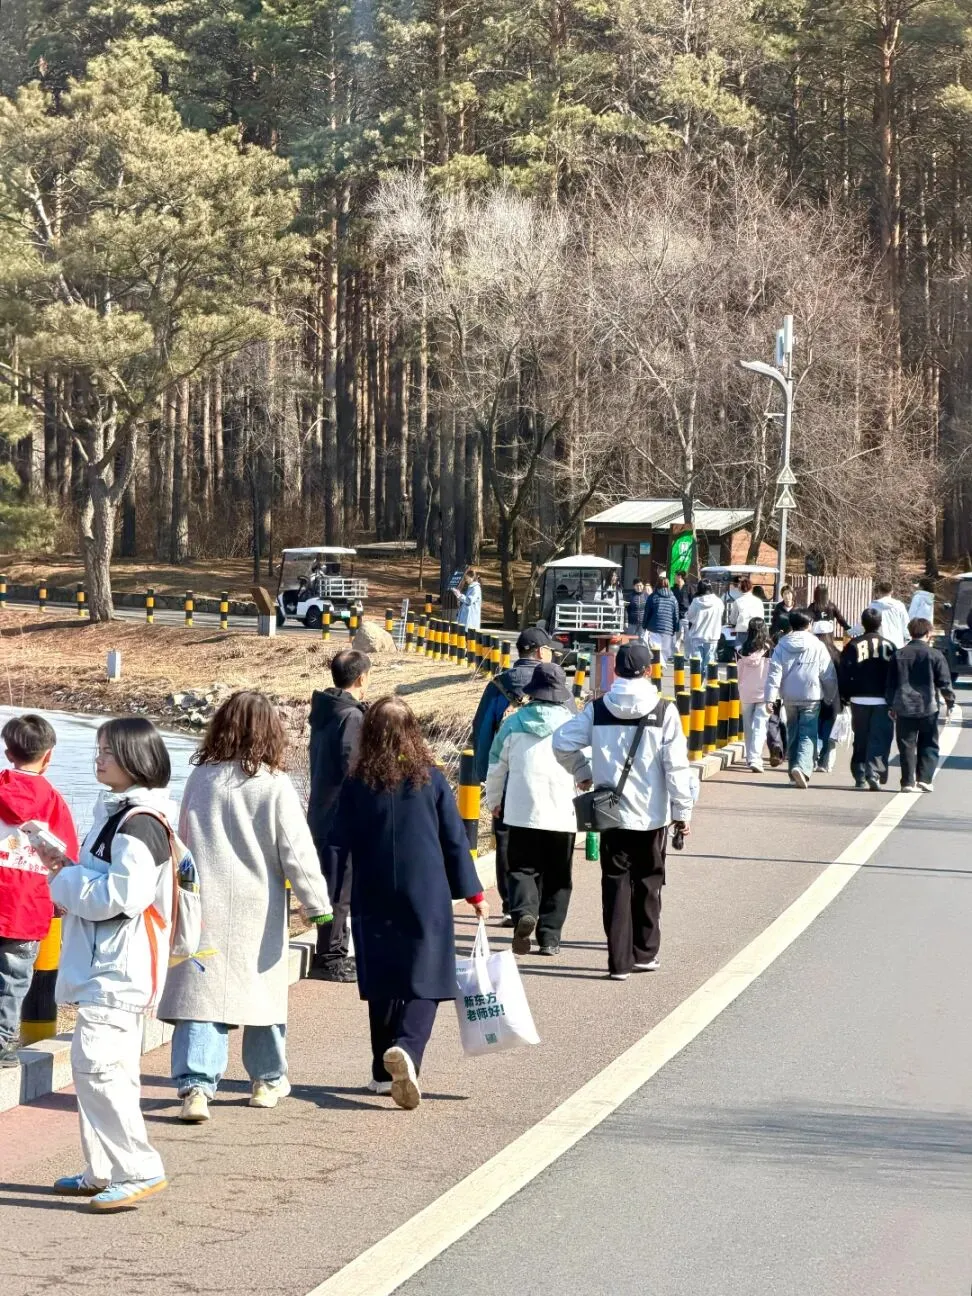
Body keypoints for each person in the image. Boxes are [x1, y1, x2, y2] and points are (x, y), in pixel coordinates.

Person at [161, 692, 332, 1124]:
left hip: (204, 904)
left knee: (201, 997)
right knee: (263, 996)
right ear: (271, 732)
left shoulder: (201, 778)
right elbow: (296, 849)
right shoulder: (273, 785)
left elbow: (180, 841)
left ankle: (196, 1087)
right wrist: (317, 904)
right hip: (259, 907)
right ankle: (266, 1081)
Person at [46, 719, 176, 1211]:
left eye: (107, 752)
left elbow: (123, 896)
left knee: (98, 1067)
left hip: (118, 968)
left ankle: (137, 1168)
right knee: (104, 1069)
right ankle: (101, 1169)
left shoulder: (138, 822)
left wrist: (63, 880)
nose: (97, 759)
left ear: (134, 759)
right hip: (111, 964)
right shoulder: (121, 814)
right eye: (97, 749)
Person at [332, 698, 487, 1109]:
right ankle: (407, 1050)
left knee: (382, 976)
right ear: (413, 733)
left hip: (373, 890)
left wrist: (326, 897)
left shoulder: (356, 783)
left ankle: (383, 1074)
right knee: (428, 975)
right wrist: (473, 892)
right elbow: (454, 840)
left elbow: (337, 842)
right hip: (426, 891)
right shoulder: (431, 779)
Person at [553, 643, 695, 981]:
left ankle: (619, 962)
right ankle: (644, 953)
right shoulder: (664, 711)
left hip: (610, 813)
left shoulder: (598, 708)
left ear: (615, 671)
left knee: (615, 883)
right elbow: (676, 767)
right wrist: (682, 811)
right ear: (648, 672)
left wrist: (582, 772)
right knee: (649, 881)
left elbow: (561, 742)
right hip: (651, 814)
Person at [0, 715, 78, 1068]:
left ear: (7, 751)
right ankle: (3, 1043)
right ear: (49, 756)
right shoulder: (54, 801)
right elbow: (67, 858)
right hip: (28, 905)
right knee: (14, 978)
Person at [485, 663, 578, 958]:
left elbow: (496, 766)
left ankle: (525, 911)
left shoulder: (514, 722)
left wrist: (494, 801)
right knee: (558, 877)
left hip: (521, 809)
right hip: (563, 812)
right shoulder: (573, 724)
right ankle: (550, 938)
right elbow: (586, 766)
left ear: (533, 692)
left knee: (522, 869)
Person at [471, 627, 555, 924]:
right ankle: (540, 902)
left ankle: (511, 905)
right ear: (541, 653)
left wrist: (485, 775)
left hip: (507, 778)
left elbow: (482, 732)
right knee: (544, 838)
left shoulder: (498, 686)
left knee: (506, 841)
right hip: (547, 779)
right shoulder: (555, 685)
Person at [307, 649, 370, 982]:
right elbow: (353, 768)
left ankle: (329, 949)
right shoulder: (352, 717)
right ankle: (330, 956)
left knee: (327, 889)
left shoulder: (326, 710)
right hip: (340, 816)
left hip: (320, 810)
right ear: (361, 678)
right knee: (338, 891)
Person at [765, 610, 839, 789]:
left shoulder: (782, 645)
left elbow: (774, 672)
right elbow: (827, 674)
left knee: (793, 732)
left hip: (789, 696)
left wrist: (770, 697)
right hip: (812, 695)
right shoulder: (817, 645)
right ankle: (802, 769)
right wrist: (830, 695)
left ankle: (793, 773)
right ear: (809, 624)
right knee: (808, 734)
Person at [885, 618, 954, 792]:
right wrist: (950, 702)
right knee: (929, 743)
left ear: (910, 632)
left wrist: (890, 705)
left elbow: (890, 684)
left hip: (903, 706)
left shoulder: (899, 654)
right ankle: (925, 778)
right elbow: (944, 682)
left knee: (906, 745)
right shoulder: (935, 655)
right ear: (929, 633)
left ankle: (907, 782)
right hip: (928, 706)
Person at [838, 608, 897, 791]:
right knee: (879, 738)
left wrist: (845, 696)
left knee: (861, 738)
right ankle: (875, 773)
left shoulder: (854, 645)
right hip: (882, 699)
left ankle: (860, 774)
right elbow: (895, 674)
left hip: (858, 699)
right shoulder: (889, 645)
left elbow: (844, 672)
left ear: (862, 623)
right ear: (880, 624)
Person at [736, 619, 772, 773]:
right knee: (760, 725)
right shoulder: (769, 650)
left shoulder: (740, 650)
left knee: (748, 726)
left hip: (745, 691)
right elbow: (773, 672)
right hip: (764, 691)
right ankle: (756, 758)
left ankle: (750, 757)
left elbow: (739, 672)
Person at [684, 579, 724, 675]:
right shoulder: (719, 602)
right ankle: (712, 687)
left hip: (697, 636)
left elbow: (689, 616)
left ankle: (697, 687)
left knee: (697, 665)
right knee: (710, 664)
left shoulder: (696, 601)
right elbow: (721, 615)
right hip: (712, 637)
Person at [642, 575, 681, 663]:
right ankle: (660, 667)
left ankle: (658, 667)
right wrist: (676, 628)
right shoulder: (673, 598)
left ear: (657, 585)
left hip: (654, 627)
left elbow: (647, 612)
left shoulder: (653, 597)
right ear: (668, 585)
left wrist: (644, 625)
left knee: (656, 649)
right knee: (665, 650)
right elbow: (676, 615)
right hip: (668, 628)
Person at [867, 581, 910, 650]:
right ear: (892, 591)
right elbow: (905, 624)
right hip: (897, 644)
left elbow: (866, 623)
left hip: (879, 644)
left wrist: (850, 631)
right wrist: (908, 639)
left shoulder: (873, 606)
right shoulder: (899, 606)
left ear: (879, 591)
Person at [727, 578, 765, 643]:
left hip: (742, 629)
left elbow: (733, 619)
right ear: (751, 588)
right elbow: (762, 617)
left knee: (740, 651)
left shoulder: (738, 601)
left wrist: (733, 623)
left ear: (739, 589)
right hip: (756, 629)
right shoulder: (759, 601)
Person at [453, 566, 482, 631]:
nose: (466, 580)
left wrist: (460, 595)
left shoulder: (476, 588)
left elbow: (469, 600)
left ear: (472, 578)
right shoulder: (471, 587)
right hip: (466, 620)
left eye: (467, 578)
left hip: (471, 621)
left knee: (468, 638)